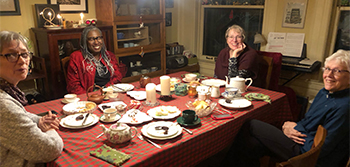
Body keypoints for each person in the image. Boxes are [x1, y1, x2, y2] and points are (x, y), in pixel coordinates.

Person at [220, 49, 350, 167]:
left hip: (310, 156)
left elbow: (322, 149)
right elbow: (308, 122)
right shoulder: (324, 93)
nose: (329, 75)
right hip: (304, 140)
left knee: (251, 124)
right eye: (327, 69)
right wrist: (290, 126)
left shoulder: (344, 107)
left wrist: (294, 128)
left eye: (337, 71)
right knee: (251, 144)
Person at [0, 31, 64, 166]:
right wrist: (49, 129)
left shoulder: (8, 91)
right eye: (11, 55)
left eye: (24, 54)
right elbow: (49, 149)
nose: (22, 60)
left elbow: (18, 114)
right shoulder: (3, 104)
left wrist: (38, 120)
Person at [67, 26, 123, 94]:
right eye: (91, 39)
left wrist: (105, 90)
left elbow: (117, 77)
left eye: (99, 38)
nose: (96, 42)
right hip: (89, 97)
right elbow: (73, 86)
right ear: (85, 41)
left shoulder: (109, 56)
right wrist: (90, 96)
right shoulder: (76, 57)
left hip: (109, 93)